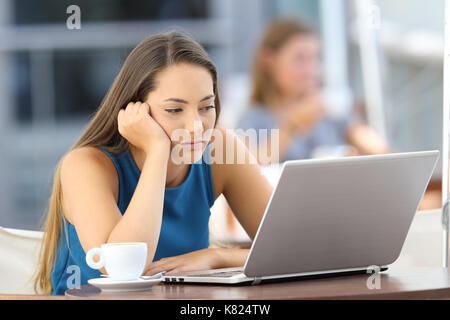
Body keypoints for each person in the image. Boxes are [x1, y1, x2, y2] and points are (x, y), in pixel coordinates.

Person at [33, 31, 273, 295]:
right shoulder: (86, 165)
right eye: (174, 110)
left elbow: (291, 248)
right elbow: (122, 270)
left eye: (206, 107)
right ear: (136, 110)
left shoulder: (219, 148)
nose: (196, 127)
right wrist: (158, 150)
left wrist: (217, 257)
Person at [237, 18, 390, 163]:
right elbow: (250, 169)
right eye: (299, 59)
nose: (310, 70)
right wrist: (291, 127)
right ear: (268, 59)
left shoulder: (328, 109)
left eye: (315, 58)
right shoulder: (253, 118)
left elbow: (380, 151)